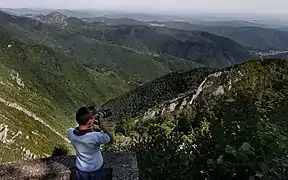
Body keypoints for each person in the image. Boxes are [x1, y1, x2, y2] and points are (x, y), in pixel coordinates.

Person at [68, 106, 114, 180]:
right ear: (90, 122)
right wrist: (102, 127)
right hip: (96, 169)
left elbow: (77, 129)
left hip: (81, 169)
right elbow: (111, 139)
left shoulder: (70, 132)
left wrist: (89, 122)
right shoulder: (96, 136)